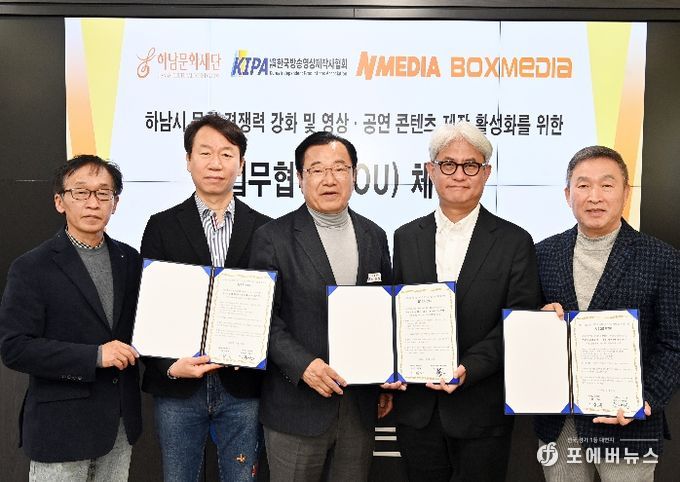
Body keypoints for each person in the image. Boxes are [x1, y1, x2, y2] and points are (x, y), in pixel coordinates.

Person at [392, 122, 542, 481]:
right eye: (448, 164)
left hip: (481, 408)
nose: (459, 174)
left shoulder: (514, 241)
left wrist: (470, 367)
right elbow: (394, 314)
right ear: (431, 170)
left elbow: (518, 321)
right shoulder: (405, 236)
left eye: (471, 165)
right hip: (417, 409)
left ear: (486, 173)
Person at [249, 131, 393, 481]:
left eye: (340, 168)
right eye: (317, 169)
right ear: (300, 178)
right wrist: (304, 366)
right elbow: (261, 319)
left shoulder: (375, 236)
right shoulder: (272, 237)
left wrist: (386, 375)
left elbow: (385, 313)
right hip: (296, 406)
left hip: (358, 407)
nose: (330, 179)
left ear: (354, 175)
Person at [535, 145, 680, 482]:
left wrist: (645, 400)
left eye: (607, 185)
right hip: (560, 423)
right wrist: (537, 320)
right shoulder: (541, 254)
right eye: (583, 185)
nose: (594, 196)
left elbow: (674, 343)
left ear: (626, 193)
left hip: (628, 421)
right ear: (568, 194)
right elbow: (525, 331)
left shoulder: (663, 259)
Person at [140, 113, 271, 481]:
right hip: (179, 384)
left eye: (227, 154)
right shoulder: (161, 226)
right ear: (188, 160)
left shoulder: (265, 228)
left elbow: (274, 308)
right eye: (205, 152)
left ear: (241, 163)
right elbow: (148, 307)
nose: (216, 163)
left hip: (243, 385)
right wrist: (168, 366)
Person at [0, 155, 142, 481]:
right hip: (60, 427)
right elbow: (15, 348)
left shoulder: (129, 259)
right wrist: (95, 356)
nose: (93, 203)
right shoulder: (31, 267)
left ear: (115, 203)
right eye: (81, 192)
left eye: (103, 193)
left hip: (119, 424)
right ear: (59, 201)